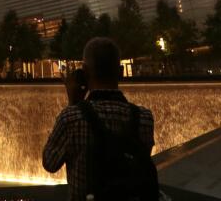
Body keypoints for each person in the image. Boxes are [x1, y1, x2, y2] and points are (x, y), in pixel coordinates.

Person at [42, 37, 157, 200]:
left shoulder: (71, 118)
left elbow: (50, 162)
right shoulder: (144, 119)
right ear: (121, 72)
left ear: (84, 72)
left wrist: (73, 103)